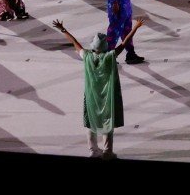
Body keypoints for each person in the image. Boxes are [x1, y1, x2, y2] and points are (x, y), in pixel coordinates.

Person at [52, 17, 140, 159]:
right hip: (107, 97)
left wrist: (64, 29)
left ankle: (93, 150)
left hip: (91, 96)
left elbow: (75, 43)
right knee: (107, 123)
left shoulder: (86, 56)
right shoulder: (109, 57)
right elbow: (123, 44)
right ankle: (107, 151)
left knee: (90, 123)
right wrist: (135, 28)